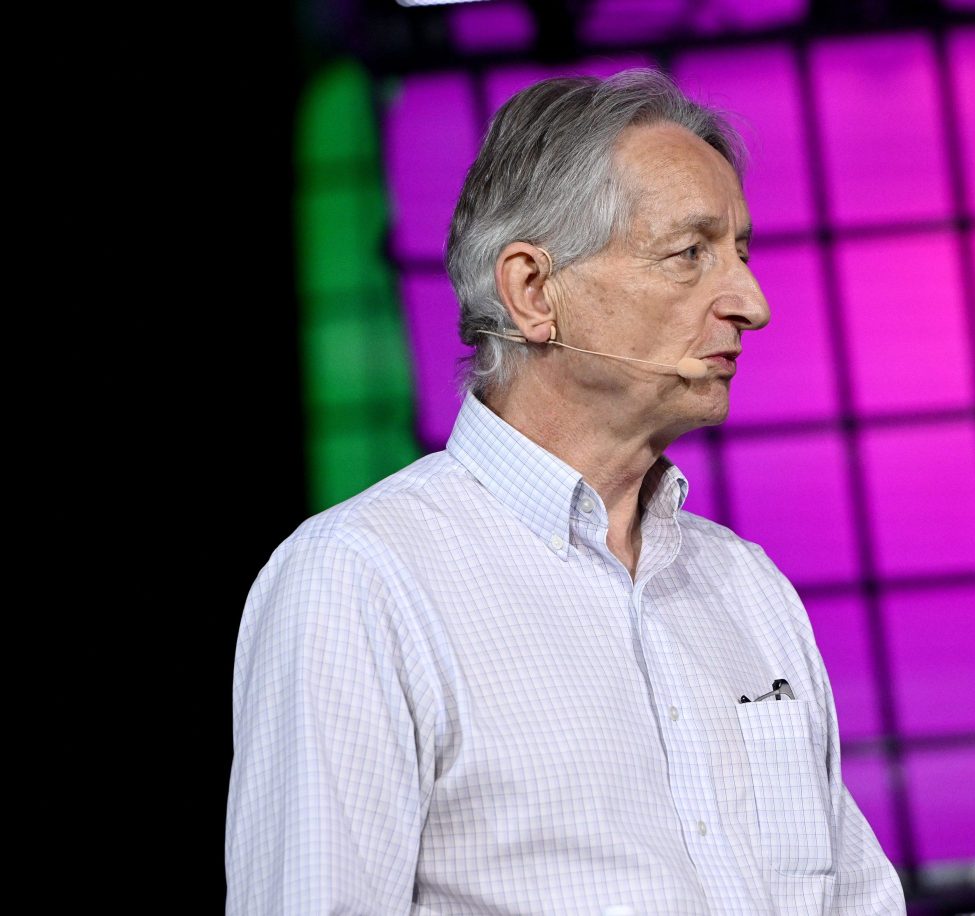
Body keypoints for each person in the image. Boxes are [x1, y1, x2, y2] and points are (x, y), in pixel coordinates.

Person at [225, 67, 905, 915]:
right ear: (534, 292)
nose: (752, 303)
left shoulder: (747, 589)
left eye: (740, 253)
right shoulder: (362, 581)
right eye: (690, 254)